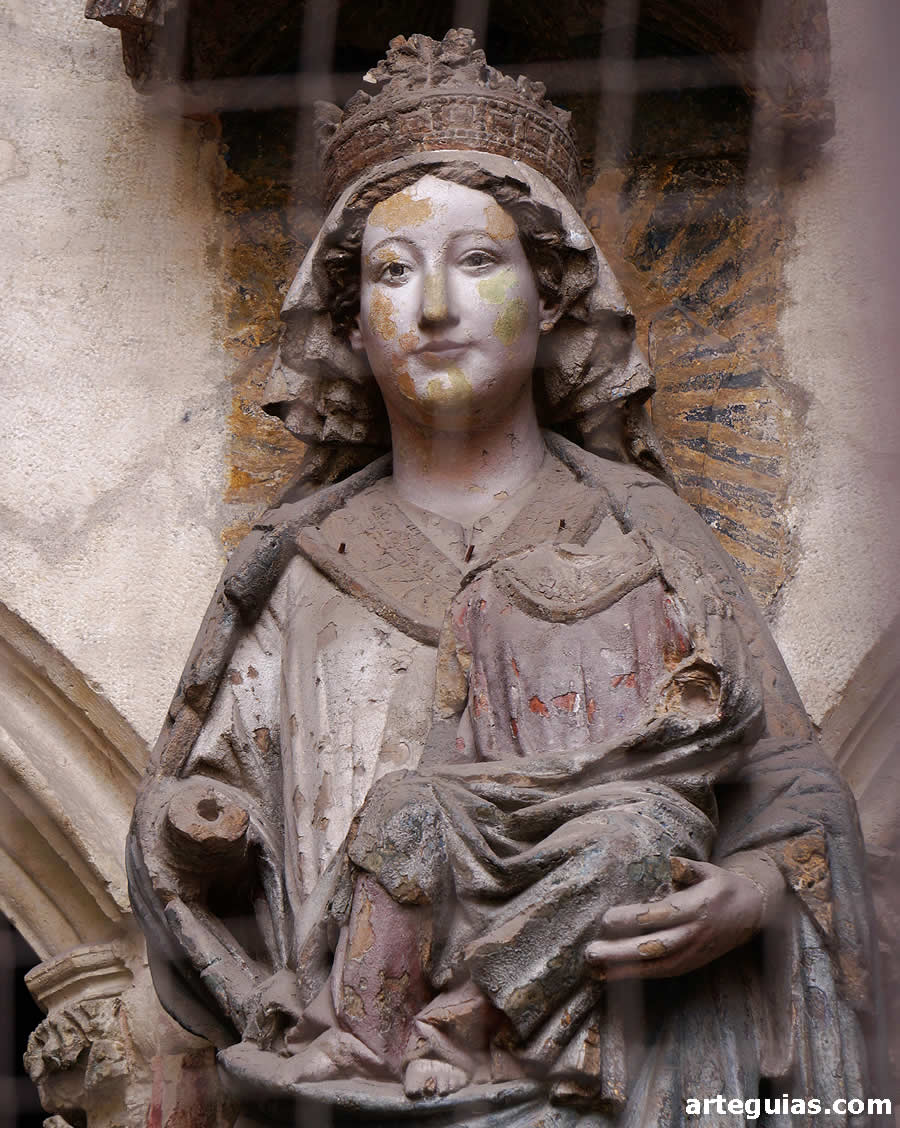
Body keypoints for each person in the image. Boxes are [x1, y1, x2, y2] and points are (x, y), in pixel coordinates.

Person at [127, 31, 880, 1127]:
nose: (434, 308)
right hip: (354, 1092)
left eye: (477, 262)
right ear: (346, 325)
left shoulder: (646, 535)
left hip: (612, 1080)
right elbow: (197, 840)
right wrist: (206, 836)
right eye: (392, 272)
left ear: (555, 293)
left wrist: (752, 894)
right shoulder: (290, 570)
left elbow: (798, 794)